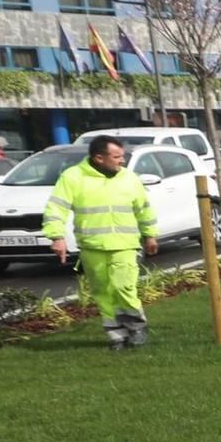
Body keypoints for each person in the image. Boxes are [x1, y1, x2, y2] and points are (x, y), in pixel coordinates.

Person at [41, 135, 160, 349]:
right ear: (98, 158)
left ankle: (137, 328)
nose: (121, 161)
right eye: (116, 157)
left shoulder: (129, 178)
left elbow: (144, 209)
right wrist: (56, 237)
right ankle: (117, 337)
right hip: (92, 246)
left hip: (124, 244)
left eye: (122, 156)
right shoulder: (73, 177)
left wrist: (150, 234)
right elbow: (56, 209)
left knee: (123, 287)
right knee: (103, 293)